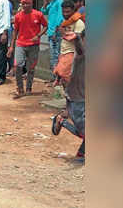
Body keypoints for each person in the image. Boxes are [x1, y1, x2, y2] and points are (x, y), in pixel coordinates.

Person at [52, 30, 85, 164]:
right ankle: (61, 121)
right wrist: (77, 39)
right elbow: (81, 50)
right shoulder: (81, 55)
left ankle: (81, 154)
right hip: (78, 99)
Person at [7, 0, 48, 98]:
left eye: (28, 3)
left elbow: (46, 26)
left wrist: (38, 36)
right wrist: (11, 47)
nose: (25, 5)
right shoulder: (18, 16)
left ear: (32, 3)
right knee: (17, 66)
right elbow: (15, 32)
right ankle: (20, 89)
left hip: (33, 45)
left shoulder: (38, 14)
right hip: (20, 44)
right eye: (23, 3)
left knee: (31, 68)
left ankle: (29, 88)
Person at [53, 0, 85, 85]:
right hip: (64, 52)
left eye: (68, 12)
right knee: (63, 76)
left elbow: (76, 38)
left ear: (73, 11)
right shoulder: (66, 22)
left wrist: (63, 32)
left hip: (72, 53)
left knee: (64, 75)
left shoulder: (79, 23)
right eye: (63, 12)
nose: (65, 14)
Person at [41, 0, 64, 79]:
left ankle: (57, 79)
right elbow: (43, 11)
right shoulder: (53, 1)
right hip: (51, 32)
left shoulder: (60, 2)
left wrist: (55, 31)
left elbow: (60, 18)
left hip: (56, 33)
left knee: (55, 56)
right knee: (53, 56)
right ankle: (55, 78)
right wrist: (46, 2)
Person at [0, 0, 14, 76]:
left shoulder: (8, 4)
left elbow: (7, 18)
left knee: (9, 49)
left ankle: (12, 69)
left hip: (7, 30)